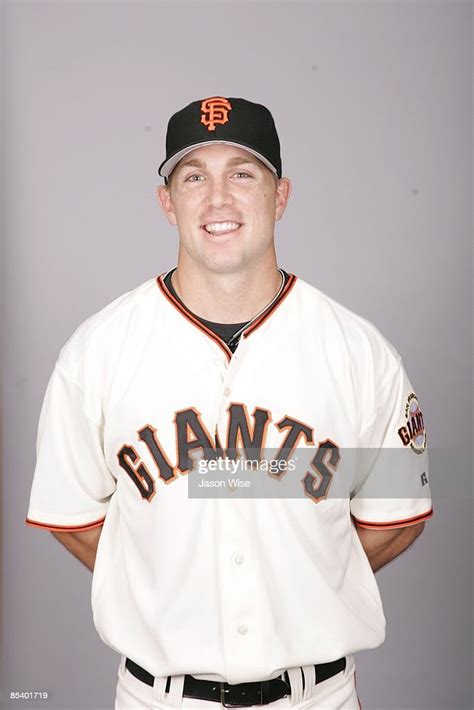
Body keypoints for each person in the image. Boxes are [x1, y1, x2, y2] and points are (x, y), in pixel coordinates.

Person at [26, 96, 433, 709]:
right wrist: (166, 584)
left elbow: (397, 514)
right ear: (167, 202)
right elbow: (73, 513)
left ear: (281, 195)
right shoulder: (97, 352)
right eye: (194, 177)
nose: (218, 200)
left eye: (242, 173)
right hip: (158, 700)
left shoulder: (359, 351)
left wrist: (303, 579)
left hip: (316, 698)